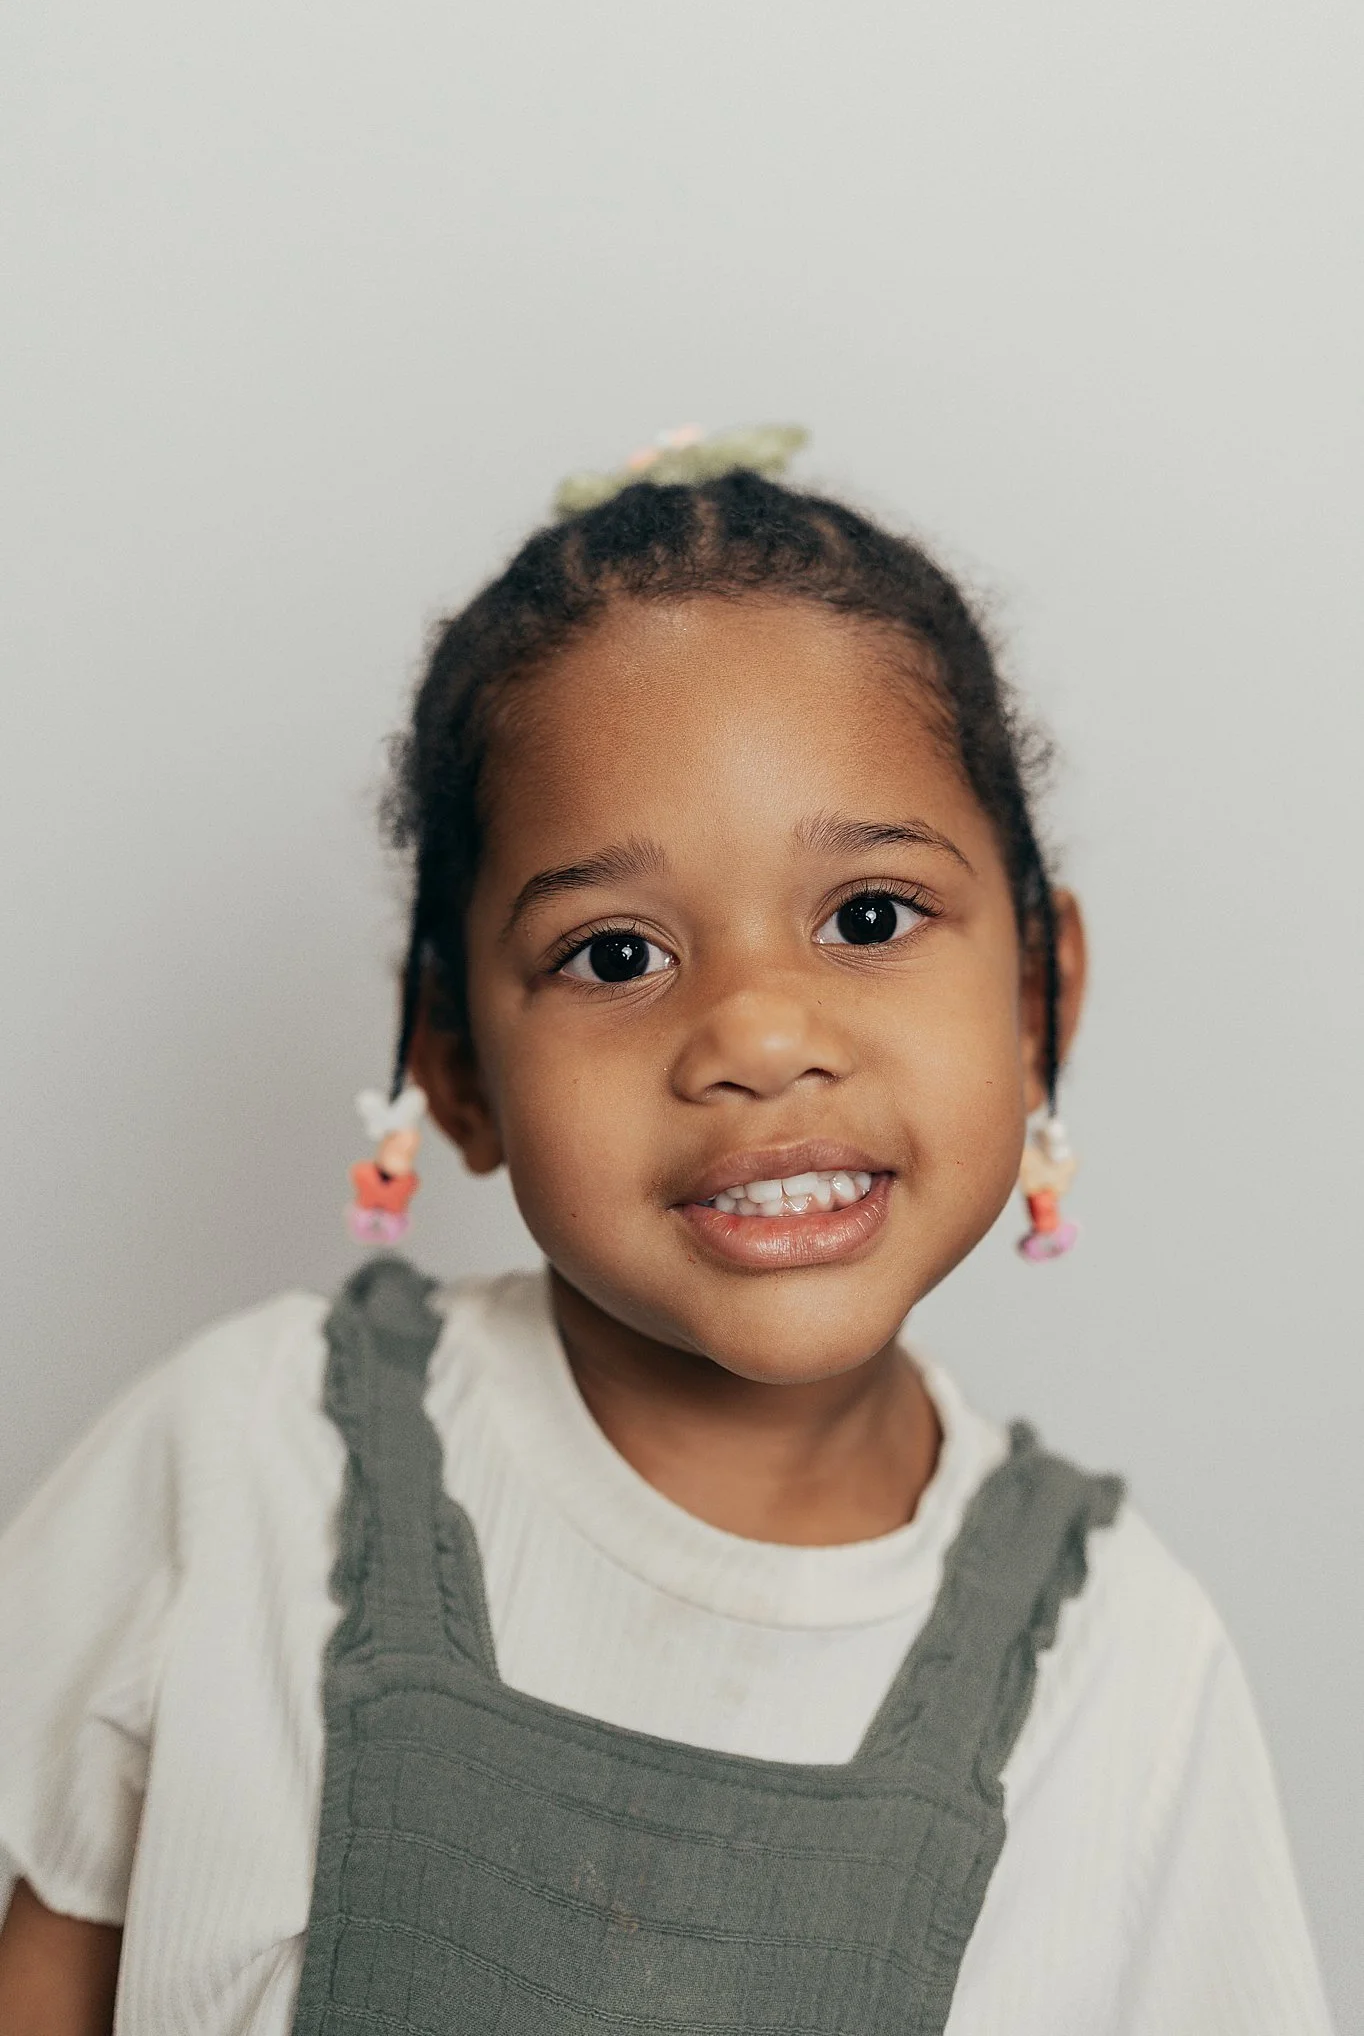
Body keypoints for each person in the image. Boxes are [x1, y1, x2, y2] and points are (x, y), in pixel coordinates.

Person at [0, 430, 1335, 2034]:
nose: (759, 1036)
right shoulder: (245, 1470)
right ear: (455, 1071)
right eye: (616, 955)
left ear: (1040, 998)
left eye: (868, 917)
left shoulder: (1125, 1668)